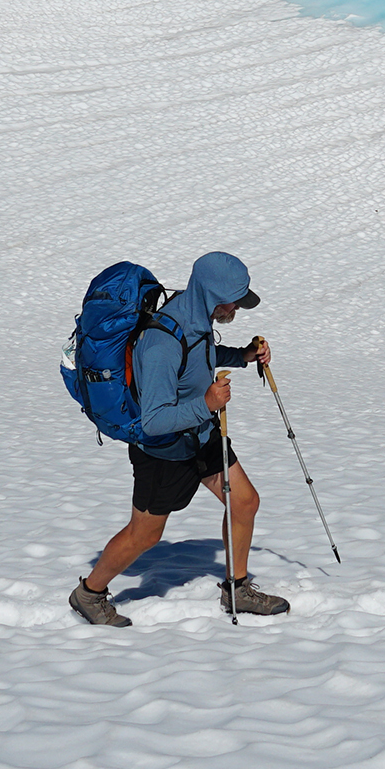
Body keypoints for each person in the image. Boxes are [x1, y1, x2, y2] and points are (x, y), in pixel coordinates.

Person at [69, 251, 290, 626]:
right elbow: (154, 421)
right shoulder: (161, 342)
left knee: (244, 502)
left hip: (201, 436)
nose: (238, 307)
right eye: (235, 300)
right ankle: (88, 594)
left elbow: (199, 356)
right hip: (163, 451)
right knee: (145, 535)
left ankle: (236, 589)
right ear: (214, 295)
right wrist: (206, 403)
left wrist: (243, 356)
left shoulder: (195, 316)